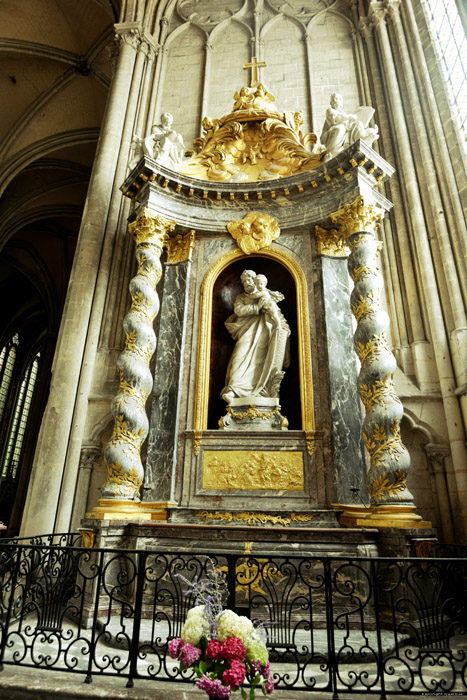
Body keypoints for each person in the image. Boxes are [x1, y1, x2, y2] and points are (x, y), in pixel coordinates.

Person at [221, 270, 290, 402]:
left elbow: (276, 313)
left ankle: (260, 392)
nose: (246, 283)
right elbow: (239, 310)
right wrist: (256, 307)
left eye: (249, 280)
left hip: (264, 333)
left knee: (260, 361)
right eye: (244, 282)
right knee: (239, 357)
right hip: (246, 332)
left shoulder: (266, 294)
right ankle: (233, 390)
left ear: (256, 281)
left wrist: (282, 327)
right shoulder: (241, 297)